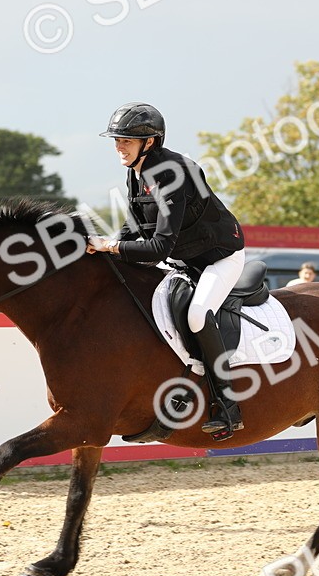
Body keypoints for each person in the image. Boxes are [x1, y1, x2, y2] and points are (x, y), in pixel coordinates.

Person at [86, 102, 246, 439]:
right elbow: (133, 230)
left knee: (198, 315)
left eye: (125, 141)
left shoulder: (173, 174)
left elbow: (159, 248)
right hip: (183, 260)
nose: (118, 147)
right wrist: (105, 250)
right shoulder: (136, 171)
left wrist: (109, 246)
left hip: (218, 258)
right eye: (116, 140)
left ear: (150, 142)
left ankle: (229, 406)